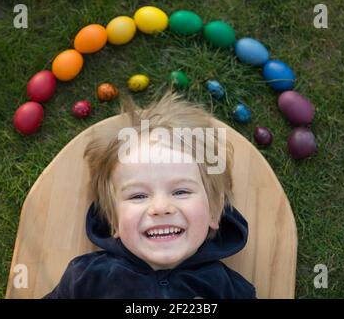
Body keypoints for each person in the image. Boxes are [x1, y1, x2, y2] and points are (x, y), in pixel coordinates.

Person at [44, 91, 256, 298]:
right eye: (138, 196)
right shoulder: (87, 278)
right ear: (113, 220)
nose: (161, 208)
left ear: (215, 211)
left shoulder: (230, 290)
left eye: (180, 191)